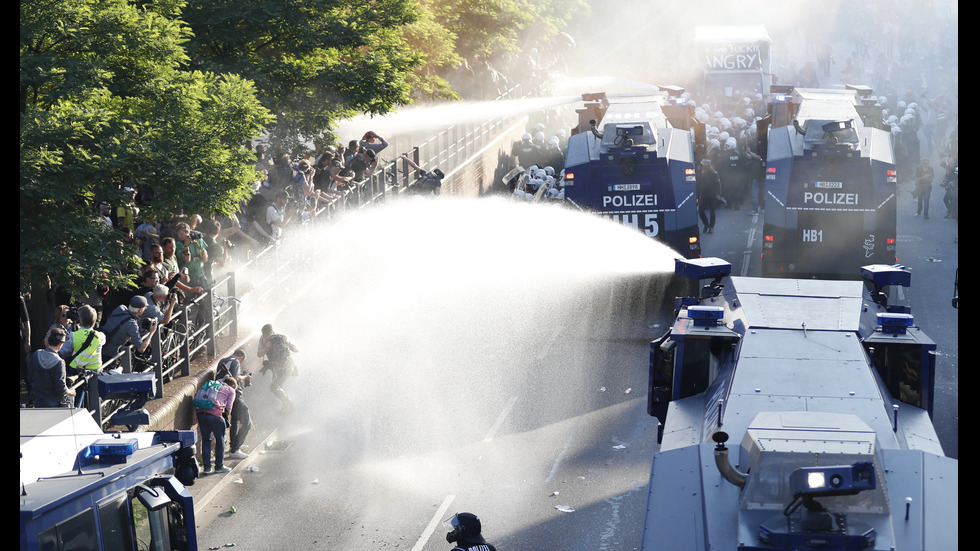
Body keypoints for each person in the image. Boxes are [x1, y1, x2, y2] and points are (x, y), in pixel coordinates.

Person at [197, 372, 237, 475]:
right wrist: (225, 413)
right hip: (215, 415)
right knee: (220, 440)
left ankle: (207, 468)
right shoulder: (231, 390)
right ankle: (219, 466)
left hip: (201, 414)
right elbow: (228, 409)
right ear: (233, 385)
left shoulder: (213, 385)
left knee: (206, 440)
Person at [216, 349, 252, 459]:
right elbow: (235, 378)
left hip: (223, 394)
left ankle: (234, 445)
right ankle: (235, 449)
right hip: (234, 395)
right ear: (240, 357)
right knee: (247, 422)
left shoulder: (223, 360)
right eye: (242, 361)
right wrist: (246, 377)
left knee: (235, 421)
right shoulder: (235, 361)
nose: (240, 364)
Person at [101, 295, 159, 362]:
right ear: (140, 310)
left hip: (100, 347)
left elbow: (119, 329)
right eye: (144, 307)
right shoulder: (131, 324)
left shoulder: (120, 309)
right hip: (110, 356)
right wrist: (152, 332)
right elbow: (141, 349)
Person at [28, 327, 76, 408]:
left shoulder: (37, 354)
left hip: (38, 398)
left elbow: (30, 376)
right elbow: (61, 388)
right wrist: (70, 392)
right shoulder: (59, 362)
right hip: (53, 401)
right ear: (61, 344)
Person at [257, 323, 299, 413]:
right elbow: (296, 349)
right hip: (289, 365)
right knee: (278, 386)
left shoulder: (267, 342)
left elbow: (259, 354)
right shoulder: (283, 337)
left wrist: (266, 349)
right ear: (273, 331)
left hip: (279, 368)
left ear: (264, 334)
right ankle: (285, 407)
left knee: (274, 387)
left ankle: (288, 403)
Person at [60, 305, 106, 374]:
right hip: (95, 370)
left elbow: (62, 352)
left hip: (77, 369)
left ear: (80, 319)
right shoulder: (101, 336)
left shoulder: (73, 336)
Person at [697, 159, 723, 234]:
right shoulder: (702, 174)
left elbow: (718, 184)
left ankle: (711, 227)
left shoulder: (714, 174)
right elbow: (701, 185)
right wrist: (700, 194)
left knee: (712, 212)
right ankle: (706, 224)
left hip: (712, 195)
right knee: (701, 211)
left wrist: (718, 194)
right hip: (704, 195)